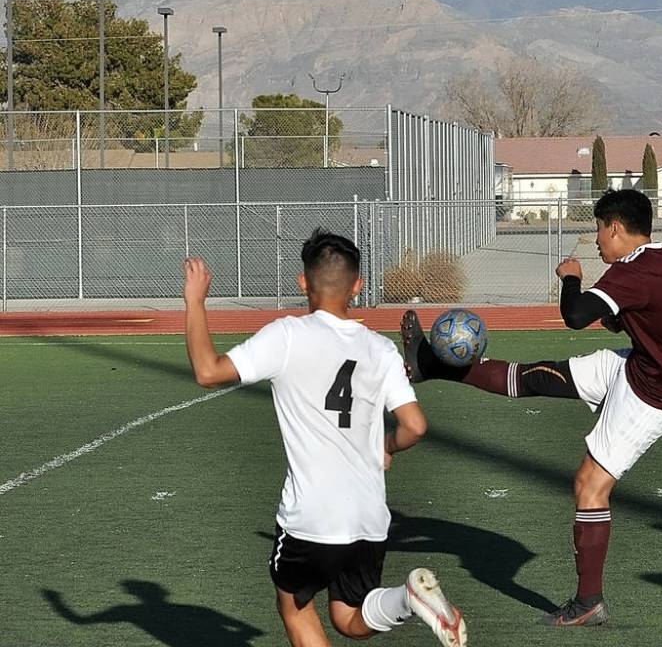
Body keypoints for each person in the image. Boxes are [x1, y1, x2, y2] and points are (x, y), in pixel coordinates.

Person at [400, 189, 662, 627]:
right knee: (540, 376)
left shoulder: (634, 271)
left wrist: (570, 277)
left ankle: (589, 603)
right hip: (649, 367)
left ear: (616, 228)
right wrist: (626, 320)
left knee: (590, 485)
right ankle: (430, 365)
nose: (597, 239)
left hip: (656, 392)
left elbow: (576, 315)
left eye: (599, 229)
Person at [182, 229, 467, 647]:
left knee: (294, 604)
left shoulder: (287, 335)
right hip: (369, 518)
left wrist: (195, 302)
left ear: (303, 281)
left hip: (311, 517)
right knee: (349, 617)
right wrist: (385, 447)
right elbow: (415, 426)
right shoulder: (380, 349)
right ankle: (407, 600)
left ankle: (408, 600)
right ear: (358, 285)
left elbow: (208, 371)